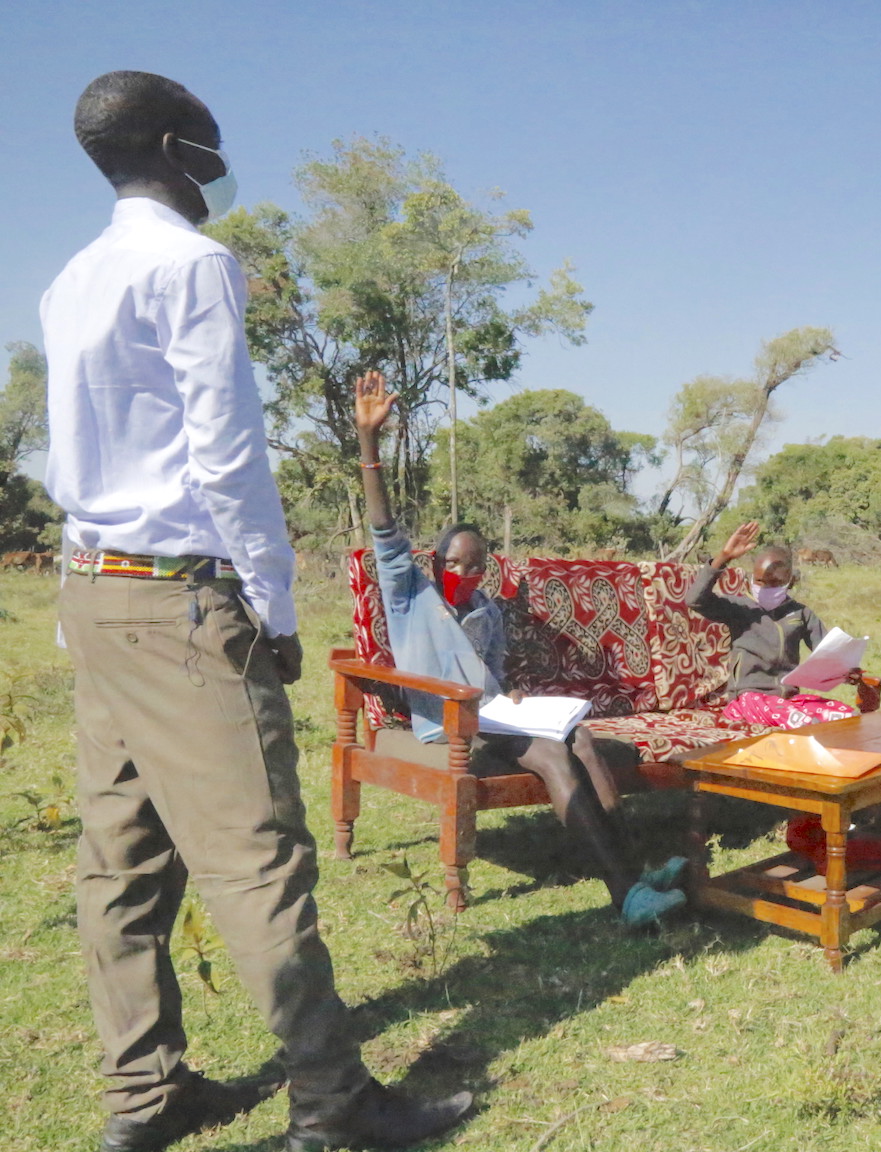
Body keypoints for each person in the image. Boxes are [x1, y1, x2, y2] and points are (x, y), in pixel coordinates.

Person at [42, 71, 470, 1151]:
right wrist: (272, 607)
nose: (221, 177)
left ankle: (144, 1096)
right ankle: (330, 1104)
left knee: (121, 862)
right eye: (215, 155)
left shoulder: (71, 279)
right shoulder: (193, 264)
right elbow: (226, 453)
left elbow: (71, 459)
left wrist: (74, 609)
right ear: (181, 149)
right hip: (183, 603)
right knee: (257, 859)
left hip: (96, 595)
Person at [352, 371, 682, 926]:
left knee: (581, 736)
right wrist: (370, 445)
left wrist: (516, 690)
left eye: (475, 564)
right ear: (434, 561)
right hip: (451, 717)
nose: (463, 571)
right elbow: (384, 531)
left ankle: (636, 870)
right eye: (453, 562)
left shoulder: (487, 609)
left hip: (495, 711)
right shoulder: (411, 596)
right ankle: (624, 894)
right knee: (553, 754)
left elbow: (494, 671)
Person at [687, 520, 860, 729]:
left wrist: (846, 669)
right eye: (759, 581)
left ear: (789, 582)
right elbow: (695, 600)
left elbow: (828, 653)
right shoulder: (738, 608)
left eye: (774, 583)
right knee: (801, 722)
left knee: (847, 717)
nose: (764, 588)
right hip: (746, 700)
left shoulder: (800, 613)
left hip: (789, 699)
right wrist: (723, 558)